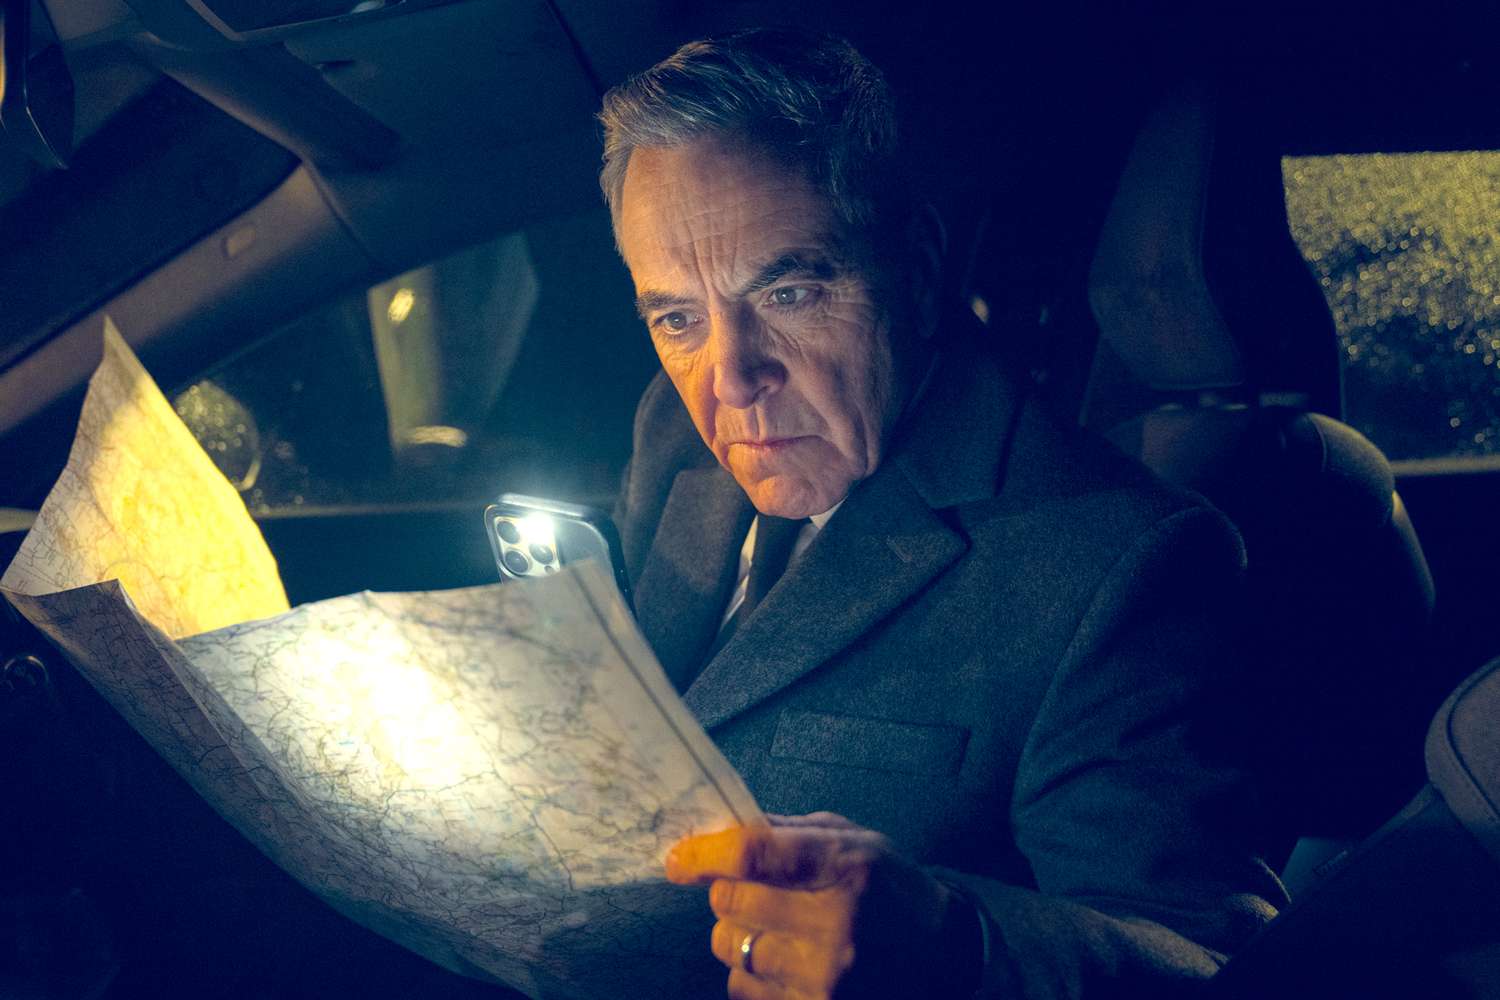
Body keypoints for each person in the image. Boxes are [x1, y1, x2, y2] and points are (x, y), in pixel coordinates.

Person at [601, 28, 1286, 999]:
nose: (730, 378)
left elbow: (1213, 965)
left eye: (788, 291)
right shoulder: (673, 433)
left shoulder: (1122, 560)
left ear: (917, 270)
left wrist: (953, 948)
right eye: (678, 317)